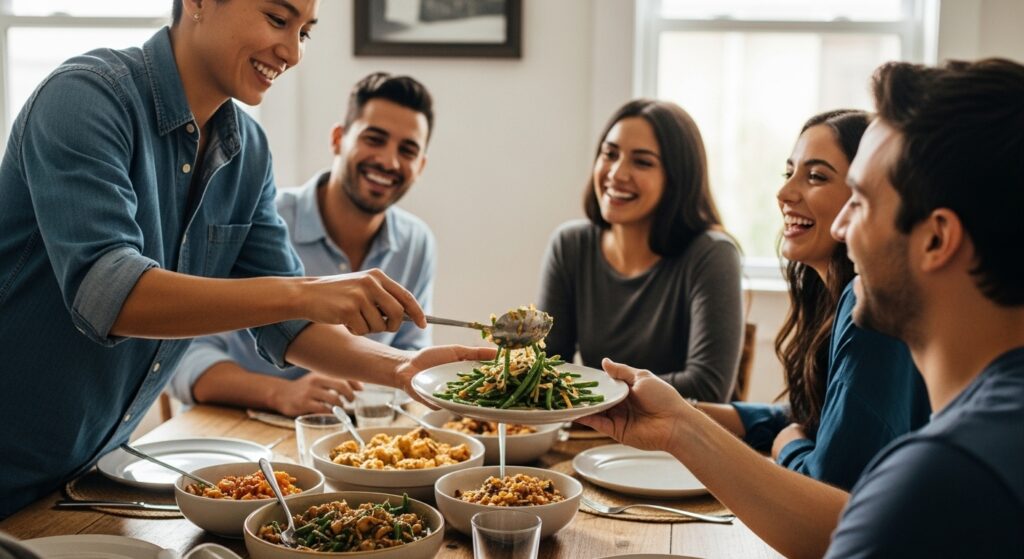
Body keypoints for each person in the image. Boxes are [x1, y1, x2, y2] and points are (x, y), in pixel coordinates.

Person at [0, 0, 491, 517]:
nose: (293, 53)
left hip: (85, 476)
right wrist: (311, 292)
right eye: (278, 20)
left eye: (305, 32)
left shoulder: (248, 150)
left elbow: (288, 327)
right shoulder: (85, 97)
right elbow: (109, 295)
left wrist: (405, 367)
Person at [579, 58, 1024, 558]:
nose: (840, 229)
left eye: (860, 201)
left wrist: (749, 436)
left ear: (936, 238)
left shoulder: (936, 478)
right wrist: (680, 424)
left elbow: (835, 508)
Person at [169, 72, 437, 417]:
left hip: (348, 442)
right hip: (238, 431)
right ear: (339, 139)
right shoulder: (260, 220)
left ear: (421, 166)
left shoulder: (417, 242)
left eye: (408, 150)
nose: (389, 161)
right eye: (374, 139)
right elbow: (183, 358)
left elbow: (411, 361)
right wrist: (279, 393)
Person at [697, 110, 930, 490]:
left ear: (867, 194)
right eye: (788, 173)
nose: (784, 193)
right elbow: (810, 417)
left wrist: (788, 447)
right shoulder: (831, 298)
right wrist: (686, 412)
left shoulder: (868, 309)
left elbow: (826, 483)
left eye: (816, 176)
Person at [538, 99, 743, 402]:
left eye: (642, 162)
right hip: (593, 438)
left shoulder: (713, 255)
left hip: (678, 445)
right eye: (610, 154)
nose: (617, 173)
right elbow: (545, 368)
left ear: (677, 179)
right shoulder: (569, 245)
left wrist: (591, 390)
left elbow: (707, 388)